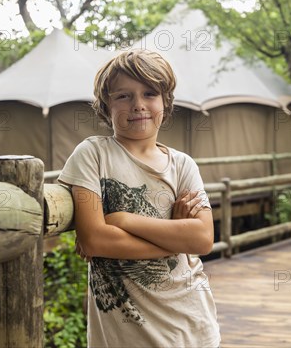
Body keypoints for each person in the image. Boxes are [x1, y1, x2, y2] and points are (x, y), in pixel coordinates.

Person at [58, 49, 221, 347]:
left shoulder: (182, 165)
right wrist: (175, 238)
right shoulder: (93, 154)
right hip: (126, 337)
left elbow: (201, 239)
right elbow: (96, 240)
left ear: (165, 102)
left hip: (191, 326)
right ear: (106, 104)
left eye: (149, 93)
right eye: (123, 96)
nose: (138, 105)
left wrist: (122, 219)